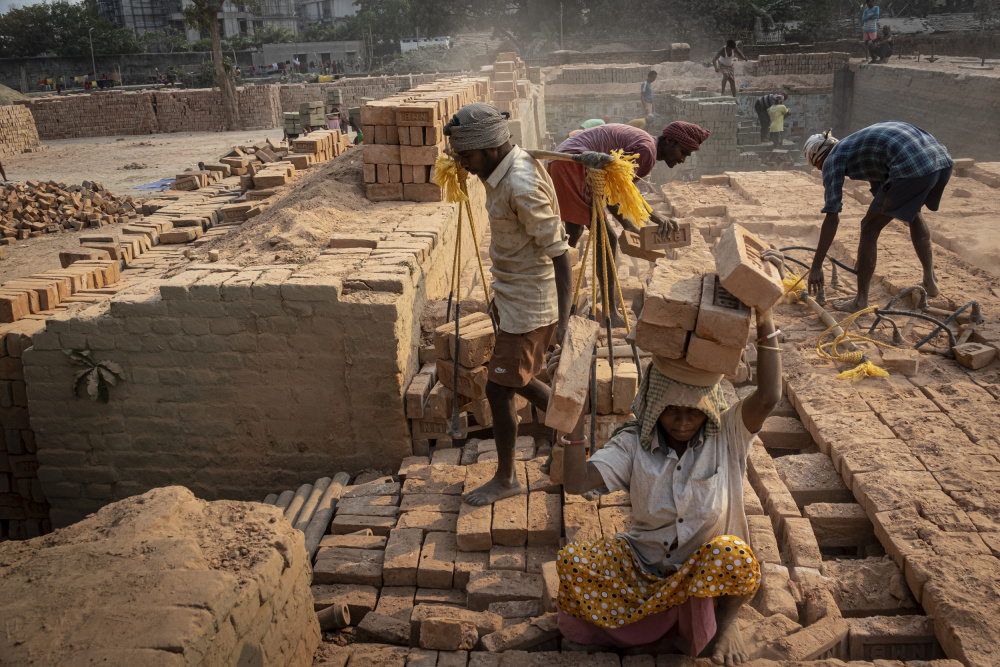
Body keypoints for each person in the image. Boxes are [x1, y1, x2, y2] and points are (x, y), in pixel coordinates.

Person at [556, 285, 782, 663]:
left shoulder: (726, 435)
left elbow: (769, 396)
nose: (681, 421)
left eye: (693, 412)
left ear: (708, 410)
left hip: (704, 572)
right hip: (646, 565)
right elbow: (577, 483)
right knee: (574, 565)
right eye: (671, 410)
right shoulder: (633, 445)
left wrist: (765, 314)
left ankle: (726, 624)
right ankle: (659, 631)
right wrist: (574, 406)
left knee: (733, 554)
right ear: (654, 405)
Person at [445, 103, 574, 507]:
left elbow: (560, 253)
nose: (463, 165)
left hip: (533, 305)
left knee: (499, 390)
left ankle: (507, 478)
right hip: (514, 295)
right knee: (514, 379)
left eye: (466, 157)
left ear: (488, 148)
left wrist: (565, 321)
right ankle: (569, 424)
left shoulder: (520, 184)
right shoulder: (501, 166)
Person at [547, 122, 711, 326]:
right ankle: (609, 314)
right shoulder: (647, 152)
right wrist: (640, 222)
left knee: (574, 231)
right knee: (607, 239)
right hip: (573, 165)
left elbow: (615, 189)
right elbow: (611, 193)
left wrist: (639, 222)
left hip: (561, 161)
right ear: (669, 141)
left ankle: (550, 294)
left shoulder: (645, 144)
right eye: (682, 152)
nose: (682, 159)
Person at [803, 121, 954, 311]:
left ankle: (860, 301)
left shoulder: (832, 158)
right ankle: (930, 281)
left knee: (869, 227)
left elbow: (832, 217)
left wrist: (816, 266)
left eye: (819, 167)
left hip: (914, 167)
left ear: (819, 159)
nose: (822, 171)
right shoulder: (858, 147)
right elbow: (881, 188)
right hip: (941, 162)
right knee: (914, 213)